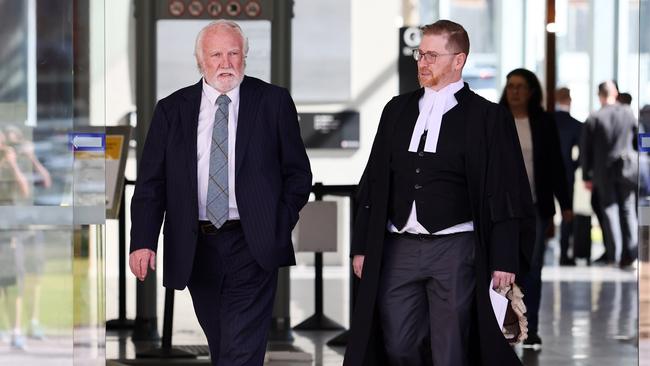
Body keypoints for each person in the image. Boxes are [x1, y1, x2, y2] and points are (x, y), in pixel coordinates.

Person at [344, 20, 535, 366]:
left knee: (451, 349)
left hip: (456, 249)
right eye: (420, 54)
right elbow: (372, 181)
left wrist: (504, 258)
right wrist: (361, 246)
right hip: (399, 246)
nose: (423, 62)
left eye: (432, 55)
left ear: (458, 60)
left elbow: (506, 190)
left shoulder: (488, 117)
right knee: (398, 343)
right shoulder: (396, 110)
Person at [128, 20, 312, 366]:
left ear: (245, 56)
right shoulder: (172, 109)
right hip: (196, 244)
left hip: (251, 241)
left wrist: (276, 222)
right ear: (200, 61)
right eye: (216, 54)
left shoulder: (272, 102)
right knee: (222, 341)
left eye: (233, 53)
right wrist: (143, 240)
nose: (225, 63)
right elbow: (152, 183)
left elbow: (298, 173)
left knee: (241, 348)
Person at [498, 69, 572, 350]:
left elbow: (555, 165)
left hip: (535, 208)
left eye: (520, 87)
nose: (514, 92)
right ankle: (505, 326)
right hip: (503, 209)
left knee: (533, 269)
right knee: (503, 269)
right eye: (510, 86)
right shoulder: (496, 119)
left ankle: (531, 327)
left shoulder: (543, 122)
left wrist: (564, 205)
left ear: (531, 92)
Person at [581, 81, 638, 269]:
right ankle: (631, 255)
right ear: (615, 93)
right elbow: (639, 140)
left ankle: (615, 256)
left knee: (610, 211)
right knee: (628, 210)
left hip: (603, 171)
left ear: (600, 95)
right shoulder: (629, 113)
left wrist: (586, 176)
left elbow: (585, 150)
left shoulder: (595, 117)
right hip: (627, 169)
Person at [554, 87, 582, 266]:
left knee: (541, 213)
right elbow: (582, 153)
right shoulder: (576, 125)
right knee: (566, 213)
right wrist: (573, 166)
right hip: (565, 173)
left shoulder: (545, 120)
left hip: (543, 173)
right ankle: (564, 254)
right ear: (570, 101)